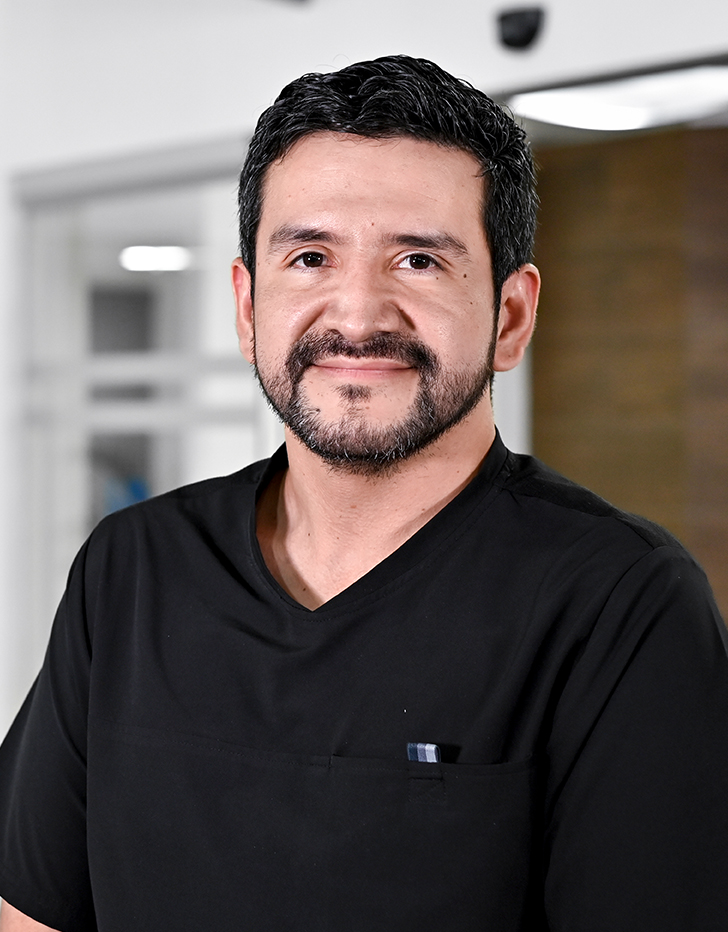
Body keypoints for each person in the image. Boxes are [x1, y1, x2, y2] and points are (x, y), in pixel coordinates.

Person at [1, 55, 727, 932]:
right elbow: (29, 911)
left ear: (511, 317)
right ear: (247, 305)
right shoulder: (131, 570)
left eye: (418, 260)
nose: (357, 313)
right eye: (309, 256)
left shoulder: (617, 603)